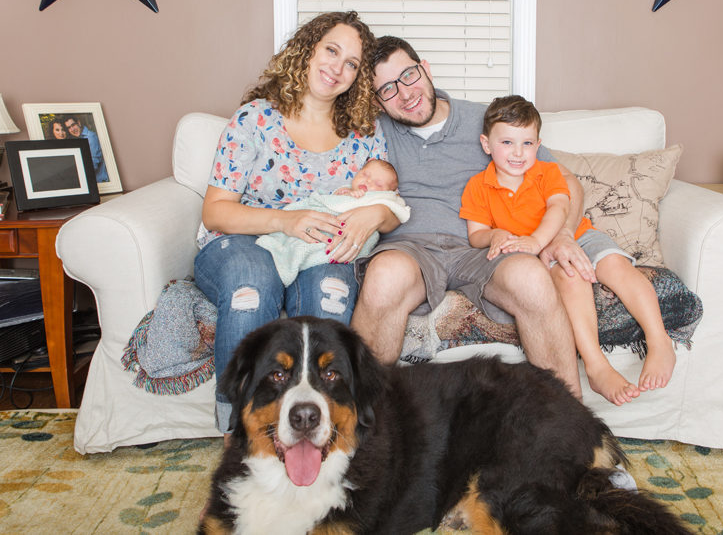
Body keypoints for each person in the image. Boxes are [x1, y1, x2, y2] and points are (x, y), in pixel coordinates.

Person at [352, 35, 592, 398]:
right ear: (376, 100)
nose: (405, 93)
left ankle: (571, 421)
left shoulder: (486, 122)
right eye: (387, 89)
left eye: (408, 76)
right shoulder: (374, 133)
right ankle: (358, 419)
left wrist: (563, 234)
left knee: (531, 277)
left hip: (483, 248)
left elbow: (567, 181)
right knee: (384, 276)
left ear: (425, 69)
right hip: (410, 250)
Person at [194, 11, 396, 434]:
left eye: (351, 63)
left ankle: (315, 425)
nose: (337, 68)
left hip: (319, 249)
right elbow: (215, 211)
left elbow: (390, 202)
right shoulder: (254, 119)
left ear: (357, 78)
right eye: (331, 50)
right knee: (252, 287)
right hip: (244, 239)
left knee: (329, 296)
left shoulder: (364, 133)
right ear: (308, 50)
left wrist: (376, 213)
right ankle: (237, 428)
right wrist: (286, 222)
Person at [460, 96, 676, 405]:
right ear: (486, 144)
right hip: (538, 256)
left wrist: (538, 240)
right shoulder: (478, 186)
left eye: (527, 143)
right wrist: (494, 234)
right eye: (507, 142)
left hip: (577, 236)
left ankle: (658, 340)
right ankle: (597, 365)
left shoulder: (547, 172)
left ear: (538, 145)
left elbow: (559, 209)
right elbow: (475, 235)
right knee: (571, 277)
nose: (518, 153)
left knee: (616, 265)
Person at [255, 159, 410, 286]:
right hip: (319, 222)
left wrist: (377, 208)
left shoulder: (384, 199)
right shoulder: (347, 190)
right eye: (365, 174)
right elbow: (330, 202)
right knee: (299, 238)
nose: (368, 181)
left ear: (388, 192)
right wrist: (344, 193)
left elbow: (399, 212)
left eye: (378, 184)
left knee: (309, 249)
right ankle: (286, 251)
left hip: (345, 238)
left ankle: (296, 258)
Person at [64, 115, 108, 182]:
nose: (72, 129)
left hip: (101, 180)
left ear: (79, 123)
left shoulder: (90, 137)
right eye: (69, 128)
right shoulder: (79, 139)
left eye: (73, 125)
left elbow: (93, 163)